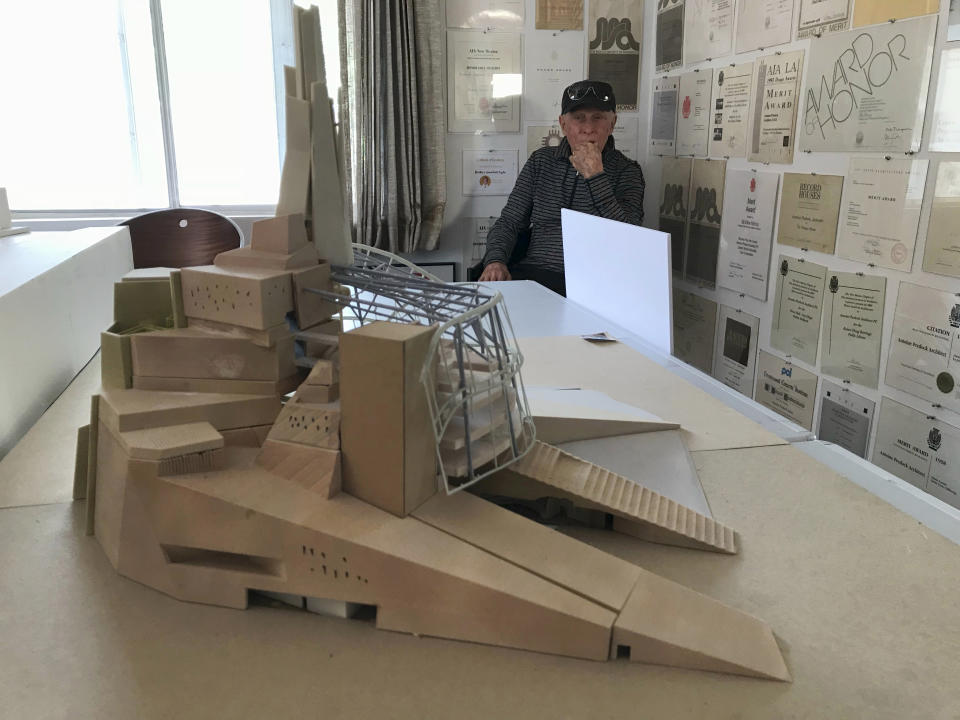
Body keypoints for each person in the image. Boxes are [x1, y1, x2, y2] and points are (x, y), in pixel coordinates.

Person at [478, 79, 645, 296]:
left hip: (597, 284)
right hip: (535, 275)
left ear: (612, 124)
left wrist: (596, 177)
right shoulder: (541, 161)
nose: (588, 129)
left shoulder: (628, 171)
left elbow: (630, 239)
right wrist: (495, 261)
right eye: (578, 118)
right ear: (563, 125)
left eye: (598, 118)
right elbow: (509, 221)